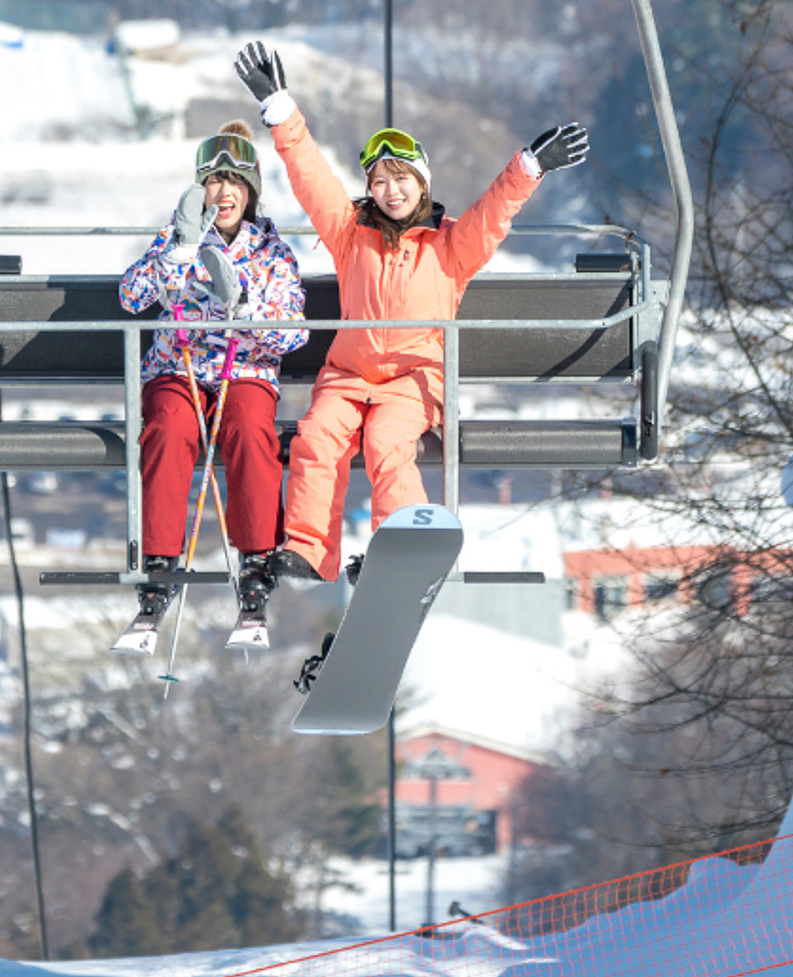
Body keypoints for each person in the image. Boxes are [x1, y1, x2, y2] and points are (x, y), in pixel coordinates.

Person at [231, 39, 592, 585]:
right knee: (315, 438)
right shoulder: (351, 234)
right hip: (347, 375)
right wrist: (281, 108)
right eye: (378, 181)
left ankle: (395, 547)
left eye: (401, 178)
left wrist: (529, 166)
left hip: (412, 380)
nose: (389, 189)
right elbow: (312, 180)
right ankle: (309, 550)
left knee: (387, 444)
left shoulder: (450, 247)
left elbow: (494, 213)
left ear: (422, 183)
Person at [117, 119, 308, 633]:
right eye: (214, 183)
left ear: (251, 193)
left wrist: (246, 313)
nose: (223, 194)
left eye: (235, 184)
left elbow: (294, 332)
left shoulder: (272, 253)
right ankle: (159, 559)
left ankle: (257, 556)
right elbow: (131, 298)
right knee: (168, 427)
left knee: (249, 430)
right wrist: (176, 255)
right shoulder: (174, 237)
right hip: (177, 366)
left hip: (241, 369)